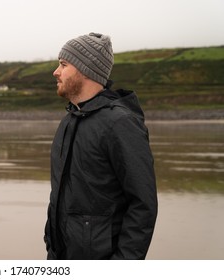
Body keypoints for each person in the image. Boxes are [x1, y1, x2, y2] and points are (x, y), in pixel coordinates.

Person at [44, 32, 158, 260]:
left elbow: (143, 205)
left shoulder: (120, 123)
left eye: (63, 64)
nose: (56, 72)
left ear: (85, 69)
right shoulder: (68, 121)